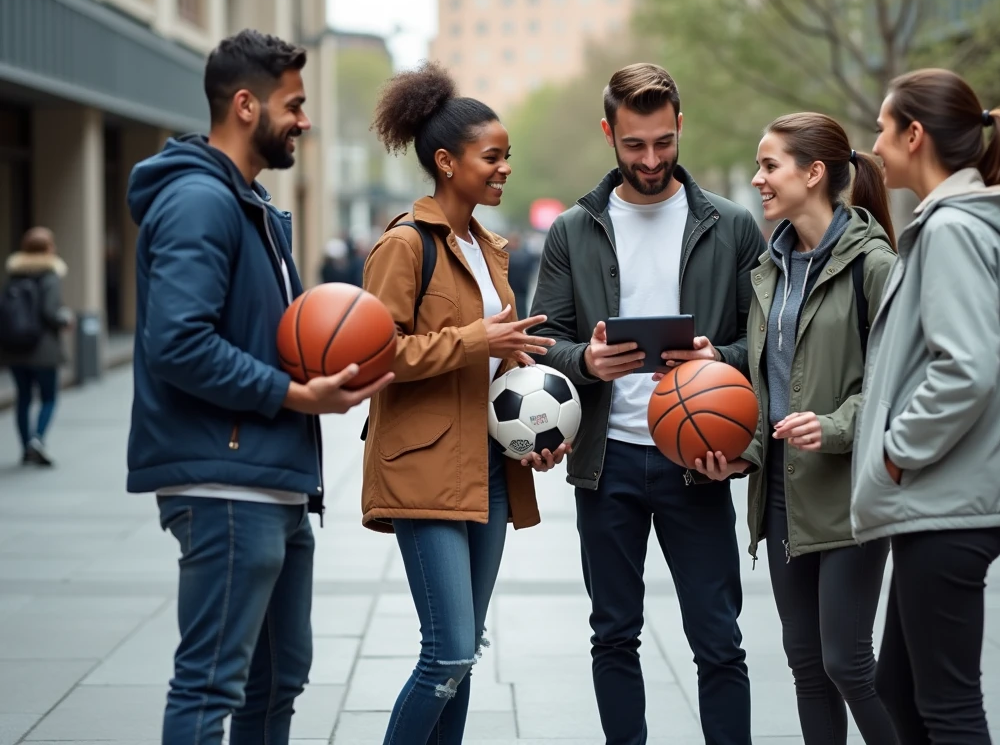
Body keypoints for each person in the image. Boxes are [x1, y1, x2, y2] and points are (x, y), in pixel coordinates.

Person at [126, 29, 391, 745]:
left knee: (278, 680)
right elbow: (177, 342)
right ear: (246, 105)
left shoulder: (252, 207)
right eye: (294, 104)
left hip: (271, 480)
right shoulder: (198, 202)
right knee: (211, 683)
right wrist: (295, 395)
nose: (305, 119)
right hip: (225, 483)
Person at [530, 63, 765, 745]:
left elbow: (769, 347)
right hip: (608, 466)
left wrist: (718, 359)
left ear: (679, 126)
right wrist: (587, 361)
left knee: (719, 641)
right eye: (635, 145)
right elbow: (547, 342)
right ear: (609, 133)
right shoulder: (575, 230)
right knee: (614, 636)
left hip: (699, 458)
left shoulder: (731, 226)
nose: (652, 159)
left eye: (664, 142)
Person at [361, 61, 566, 745]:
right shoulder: (403, 246)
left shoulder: (490, 250)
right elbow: (373, 356)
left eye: (508, 156)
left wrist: (537, 424)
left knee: (464, 656)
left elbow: (499, 367)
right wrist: (472, 339)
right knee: (445, 652)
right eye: (492, 156)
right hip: (423, 471)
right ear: (446, 162)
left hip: (490, 471)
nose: (505, 167)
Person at [853, 67, 1000, 744]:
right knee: (899, 692)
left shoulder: (952, 232)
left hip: (947, 504)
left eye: (882, 128)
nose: (874, 145)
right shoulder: (955, 225)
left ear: (914, 133)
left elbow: (964, 370)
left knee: (947, 706)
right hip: (943, 503)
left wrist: (897, 452)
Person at [697, 113, 899, 744]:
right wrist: (742, 454)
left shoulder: (876, 267)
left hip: (850, 493)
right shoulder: (770, 271)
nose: (758, 179)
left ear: (814, 174)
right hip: (782, 494)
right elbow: (770, 387)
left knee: (847, 663)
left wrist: (835, 426)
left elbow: (901, 390)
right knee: (807, 668)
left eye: (769, 165)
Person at [0, 227, 72, 466]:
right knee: (49, 397)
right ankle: (37, 439)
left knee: (23, 398)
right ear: (48, 247)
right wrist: (65, 318)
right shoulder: (50, 275)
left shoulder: (14, 275)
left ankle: (25, 447)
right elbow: (50, 312)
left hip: (15, 348)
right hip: (43, 349)